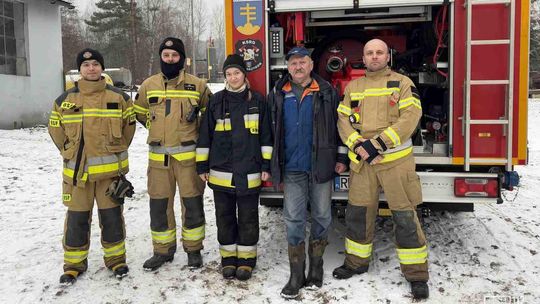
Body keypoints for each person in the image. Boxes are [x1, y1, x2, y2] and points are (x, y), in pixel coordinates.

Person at [333, 38, 429, 299]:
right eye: (369, 53)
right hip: (363, 163)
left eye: (379, 52)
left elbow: (410, 119)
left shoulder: (403, 84)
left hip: (396, 163)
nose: (374, 57)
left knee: (405, 217)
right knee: (357, 215)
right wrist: (359, 145)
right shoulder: (354, 87)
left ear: (388, 57)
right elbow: (343, 121)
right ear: (363, 59)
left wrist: (377, 144)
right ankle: (355, 262)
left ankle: (417, 274)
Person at [48, 48, 136, 284]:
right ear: (80, 69)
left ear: (102, 68)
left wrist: (114, 152)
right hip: (78, 175)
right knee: (76, 220)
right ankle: (74, 264)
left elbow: (129, 129)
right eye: (86, 65)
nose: (91, 68)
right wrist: (68, 151)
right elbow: (56, 130)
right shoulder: (64, 100)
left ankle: (116, 260)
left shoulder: (119, 98)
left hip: (109, 175)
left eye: (95, 64)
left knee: (112, 219)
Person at [268, 46, 348, 299]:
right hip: (291, 167)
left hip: (321, 166)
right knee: (293, 218)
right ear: (287, 67)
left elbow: (340, 127)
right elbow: (270, 130)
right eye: (293, 63)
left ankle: (316, 266)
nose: (298, 67)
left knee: (323, 215)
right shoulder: (279, 93)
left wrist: (341, 157)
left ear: (311, 65)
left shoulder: (326, 92)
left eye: (302, 62)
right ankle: (296, 273)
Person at [133, 37, 212, 271]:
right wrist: (157, 127)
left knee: (193, 205)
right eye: (166, 56)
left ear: (182, 58)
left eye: (174, 56)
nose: (170, 59)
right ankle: (163, 251)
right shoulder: (148, 85)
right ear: (161, 58)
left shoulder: (198, 85)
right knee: (159, 207)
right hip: (158, 162)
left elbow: (209, 118)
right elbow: (139, 113)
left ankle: (194, 249)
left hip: (188, 160)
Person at [196, 54, 272, 281]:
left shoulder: (258, 101)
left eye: (236, 73)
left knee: (249, 217)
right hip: (221, 174)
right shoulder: (216, 101)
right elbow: (205, 135)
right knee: (224, 217)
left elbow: (266, 136)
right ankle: (228, 259)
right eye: (228, 74)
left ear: (244, 74)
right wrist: (202, 166)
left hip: (249, 172)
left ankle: (247, 260)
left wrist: (266, 165)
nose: (233, 77)